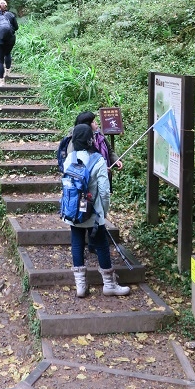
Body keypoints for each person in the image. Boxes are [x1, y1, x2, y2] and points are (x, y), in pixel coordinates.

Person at [61, 123, 130, 298]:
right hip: (94, 211)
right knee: (101, 244)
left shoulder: (70, 158)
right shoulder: (98, 160)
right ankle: (109, 285)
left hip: (73, 210)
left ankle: (81, 286)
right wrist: (103, 211)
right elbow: (104, 191)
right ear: (89, 139)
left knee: (76, 242)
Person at [74, 111, 123, 190]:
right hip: (90, 182)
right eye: (93, 122)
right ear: (86, 125)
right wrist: (101, 168)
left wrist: (116, 160)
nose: (96, 123)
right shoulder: (79, 140)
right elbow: (80, 163)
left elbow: (109, 149)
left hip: (104, 176)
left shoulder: (99, 133)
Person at [0, 0, 18, 86]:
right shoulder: (11, 15)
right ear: (6, 6)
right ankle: (8, 71)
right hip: (10, 40)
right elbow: (16, 27)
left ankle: (1, 81)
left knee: (0, 60)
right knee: (8, 53)